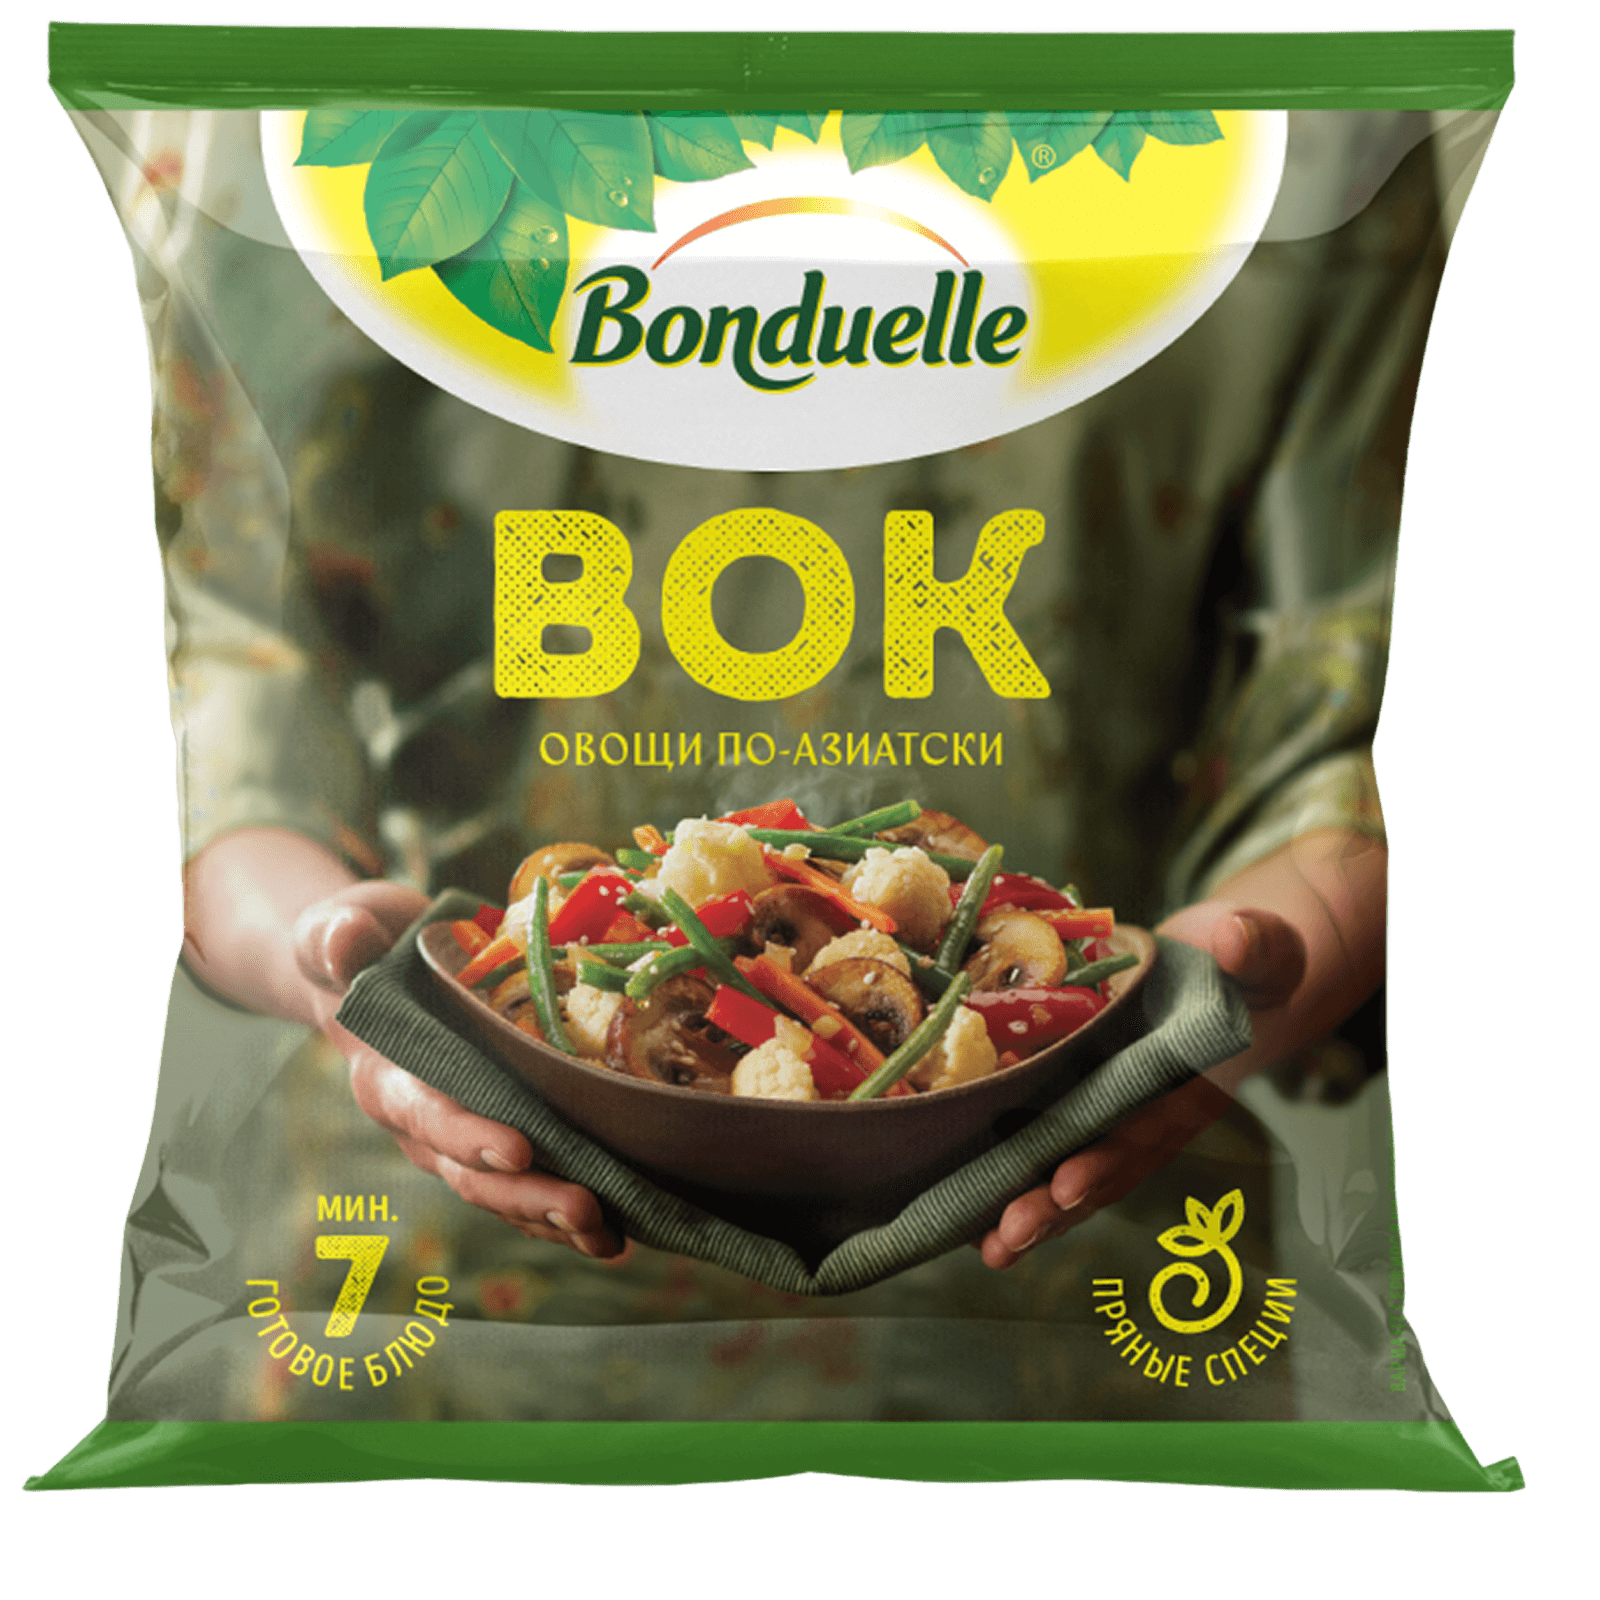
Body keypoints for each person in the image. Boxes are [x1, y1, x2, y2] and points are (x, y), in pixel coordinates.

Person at [105, 100, 1454, 1420]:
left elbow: (1334, 726)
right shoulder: (281, 122)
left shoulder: (1305, 125)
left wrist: (1236, 979)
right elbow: (236, 715)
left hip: (1083, 1303)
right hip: (439, 1310)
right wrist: (347, 971)